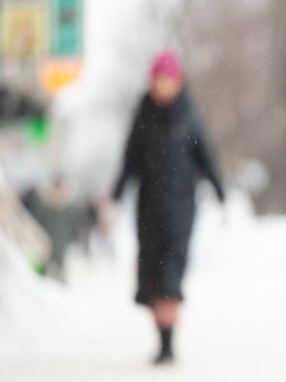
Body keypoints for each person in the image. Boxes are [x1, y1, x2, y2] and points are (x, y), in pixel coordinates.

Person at [112, 50, 225, 365]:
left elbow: (208, 159)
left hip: (181, 209)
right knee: (151, 276)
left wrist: (221, 192)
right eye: (157, 80)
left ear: (177, 82)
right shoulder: (142, 117)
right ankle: (161, 338)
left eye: (168, 80)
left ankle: (168, 345)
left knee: (170, 275)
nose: (162, 86)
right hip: (148, 208)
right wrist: (116, 195)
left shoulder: (189, 117)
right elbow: (129, 161)